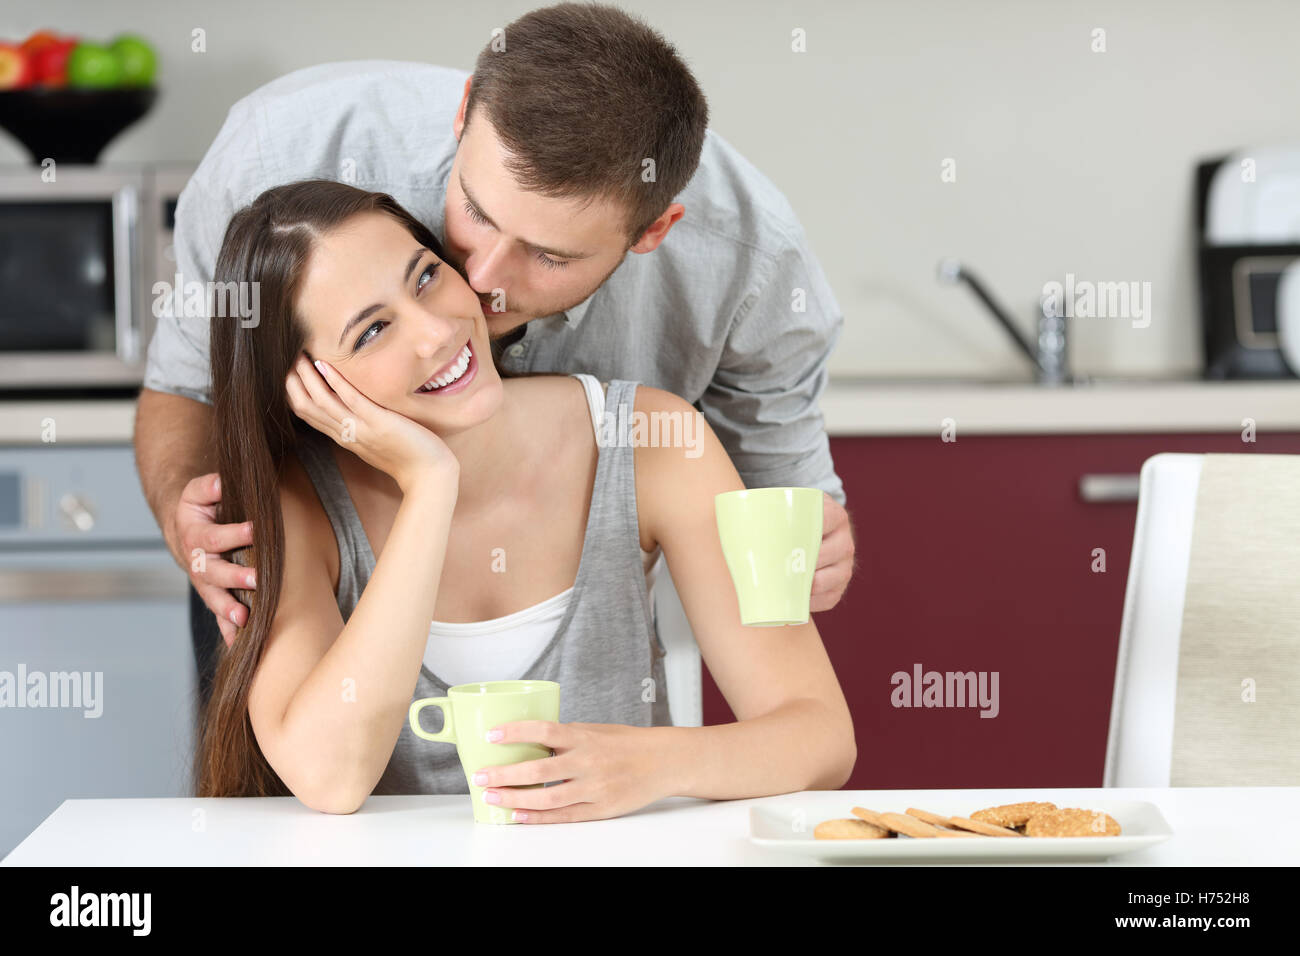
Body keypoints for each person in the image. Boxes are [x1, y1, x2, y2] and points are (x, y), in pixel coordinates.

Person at [134, 3, 857, 715]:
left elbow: (786, 505)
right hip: (297, 582)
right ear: (463, 115)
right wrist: (185, 514)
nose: (482, 282)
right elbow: (184, 389)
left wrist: (811, 552)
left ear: (653, 230)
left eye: (549, 255)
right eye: (476, 213)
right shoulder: (272, 154)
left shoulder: (755, 269)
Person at [197, 177, 855, 821]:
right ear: (306, 389)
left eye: (425, 276)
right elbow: (329, 777)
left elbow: (820, 737)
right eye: (372, 332)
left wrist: (653, 762)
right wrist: (430, 485)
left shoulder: (654, 440)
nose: (436, 332)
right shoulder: (297, 505)